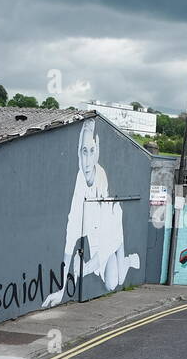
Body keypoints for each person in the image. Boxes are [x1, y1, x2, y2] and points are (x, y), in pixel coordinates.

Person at [42, 118, 141, 308]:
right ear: (78, 152)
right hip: (98, 237)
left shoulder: (101, 177)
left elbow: (106, 235)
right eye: (83, 151)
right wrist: (61, 290)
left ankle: (122, 261)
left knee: (115, 281)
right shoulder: (79, 187)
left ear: (98, 151)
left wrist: (87, 267)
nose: (87, 160)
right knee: (114, 282)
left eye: (92, 151)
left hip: (112, 229)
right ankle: (125, 263)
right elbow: (69, 240)